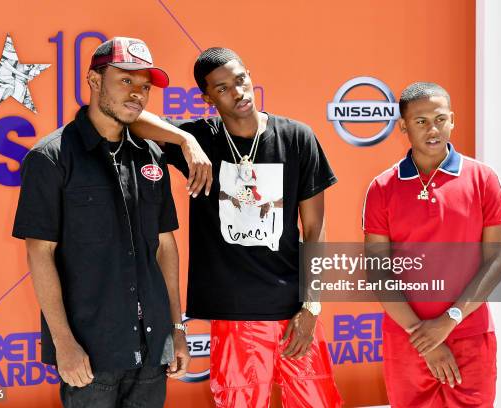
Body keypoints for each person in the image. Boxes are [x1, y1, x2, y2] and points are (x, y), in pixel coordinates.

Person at [129, 47, 343, 408]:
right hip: (234, 313)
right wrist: (186, 140)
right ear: (207, 97)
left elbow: (315, 228)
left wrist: (313, 306)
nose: (238, 92)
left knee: (317, 401)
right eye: (223, 88)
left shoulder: (297, 137)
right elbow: (131, 120)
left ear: (250, 75)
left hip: (295, 311)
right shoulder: (202, 139)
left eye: (241, 80)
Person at [12, 37, 191, 408]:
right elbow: (40, 254)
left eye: (144, 86)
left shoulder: (153, 156)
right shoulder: (50, 158)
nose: (137, 94)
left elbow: (166, 246)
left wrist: (176, 328)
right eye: (125, 81)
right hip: (91, 356)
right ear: (94, 80)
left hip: (153, 348)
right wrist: (64, 342)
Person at [362, 82, 501, 407]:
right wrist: (424, 337)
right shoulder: (382, 188)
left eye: (440, 119)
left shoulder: (484, 179)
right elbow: (377, 270)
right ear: (403, 126)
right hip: (407, 339)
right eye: (421, 121)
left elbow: (497, 262)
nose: (433, 129)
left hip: (470, 335)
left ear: (452, 120)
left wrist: (450, 320)